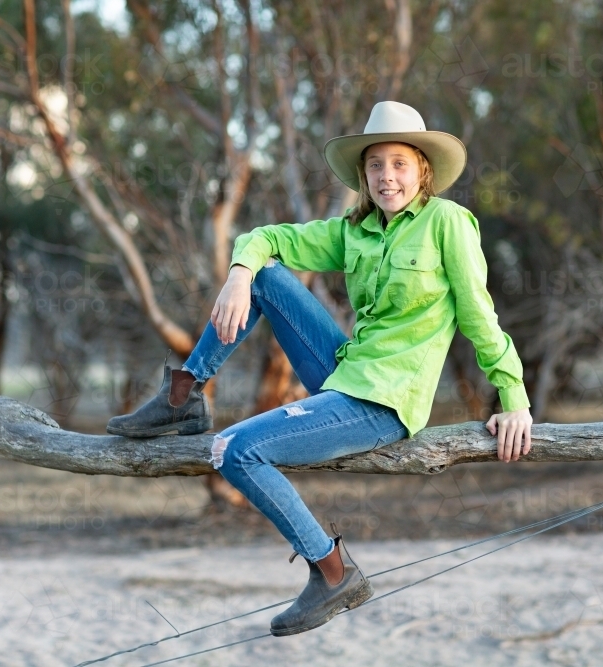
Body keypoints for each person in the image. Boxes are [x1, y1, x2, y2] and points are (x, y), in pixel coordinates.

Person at [105, 101, 534, 636]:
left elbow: (478, 315)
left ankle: (332, 572)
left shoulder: (446, 223)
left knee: (237, 450)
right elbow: (268, 238)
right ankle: (184, 395)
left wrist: (513, 398)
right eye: (376, 165)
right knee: (265, 276)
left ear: (422, 170)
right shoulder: (354, 231)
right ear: (364, 174)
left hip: (383, 401)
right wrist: (240, 272)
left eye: (399, 163)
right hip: (344, 371)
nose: (387, 176)